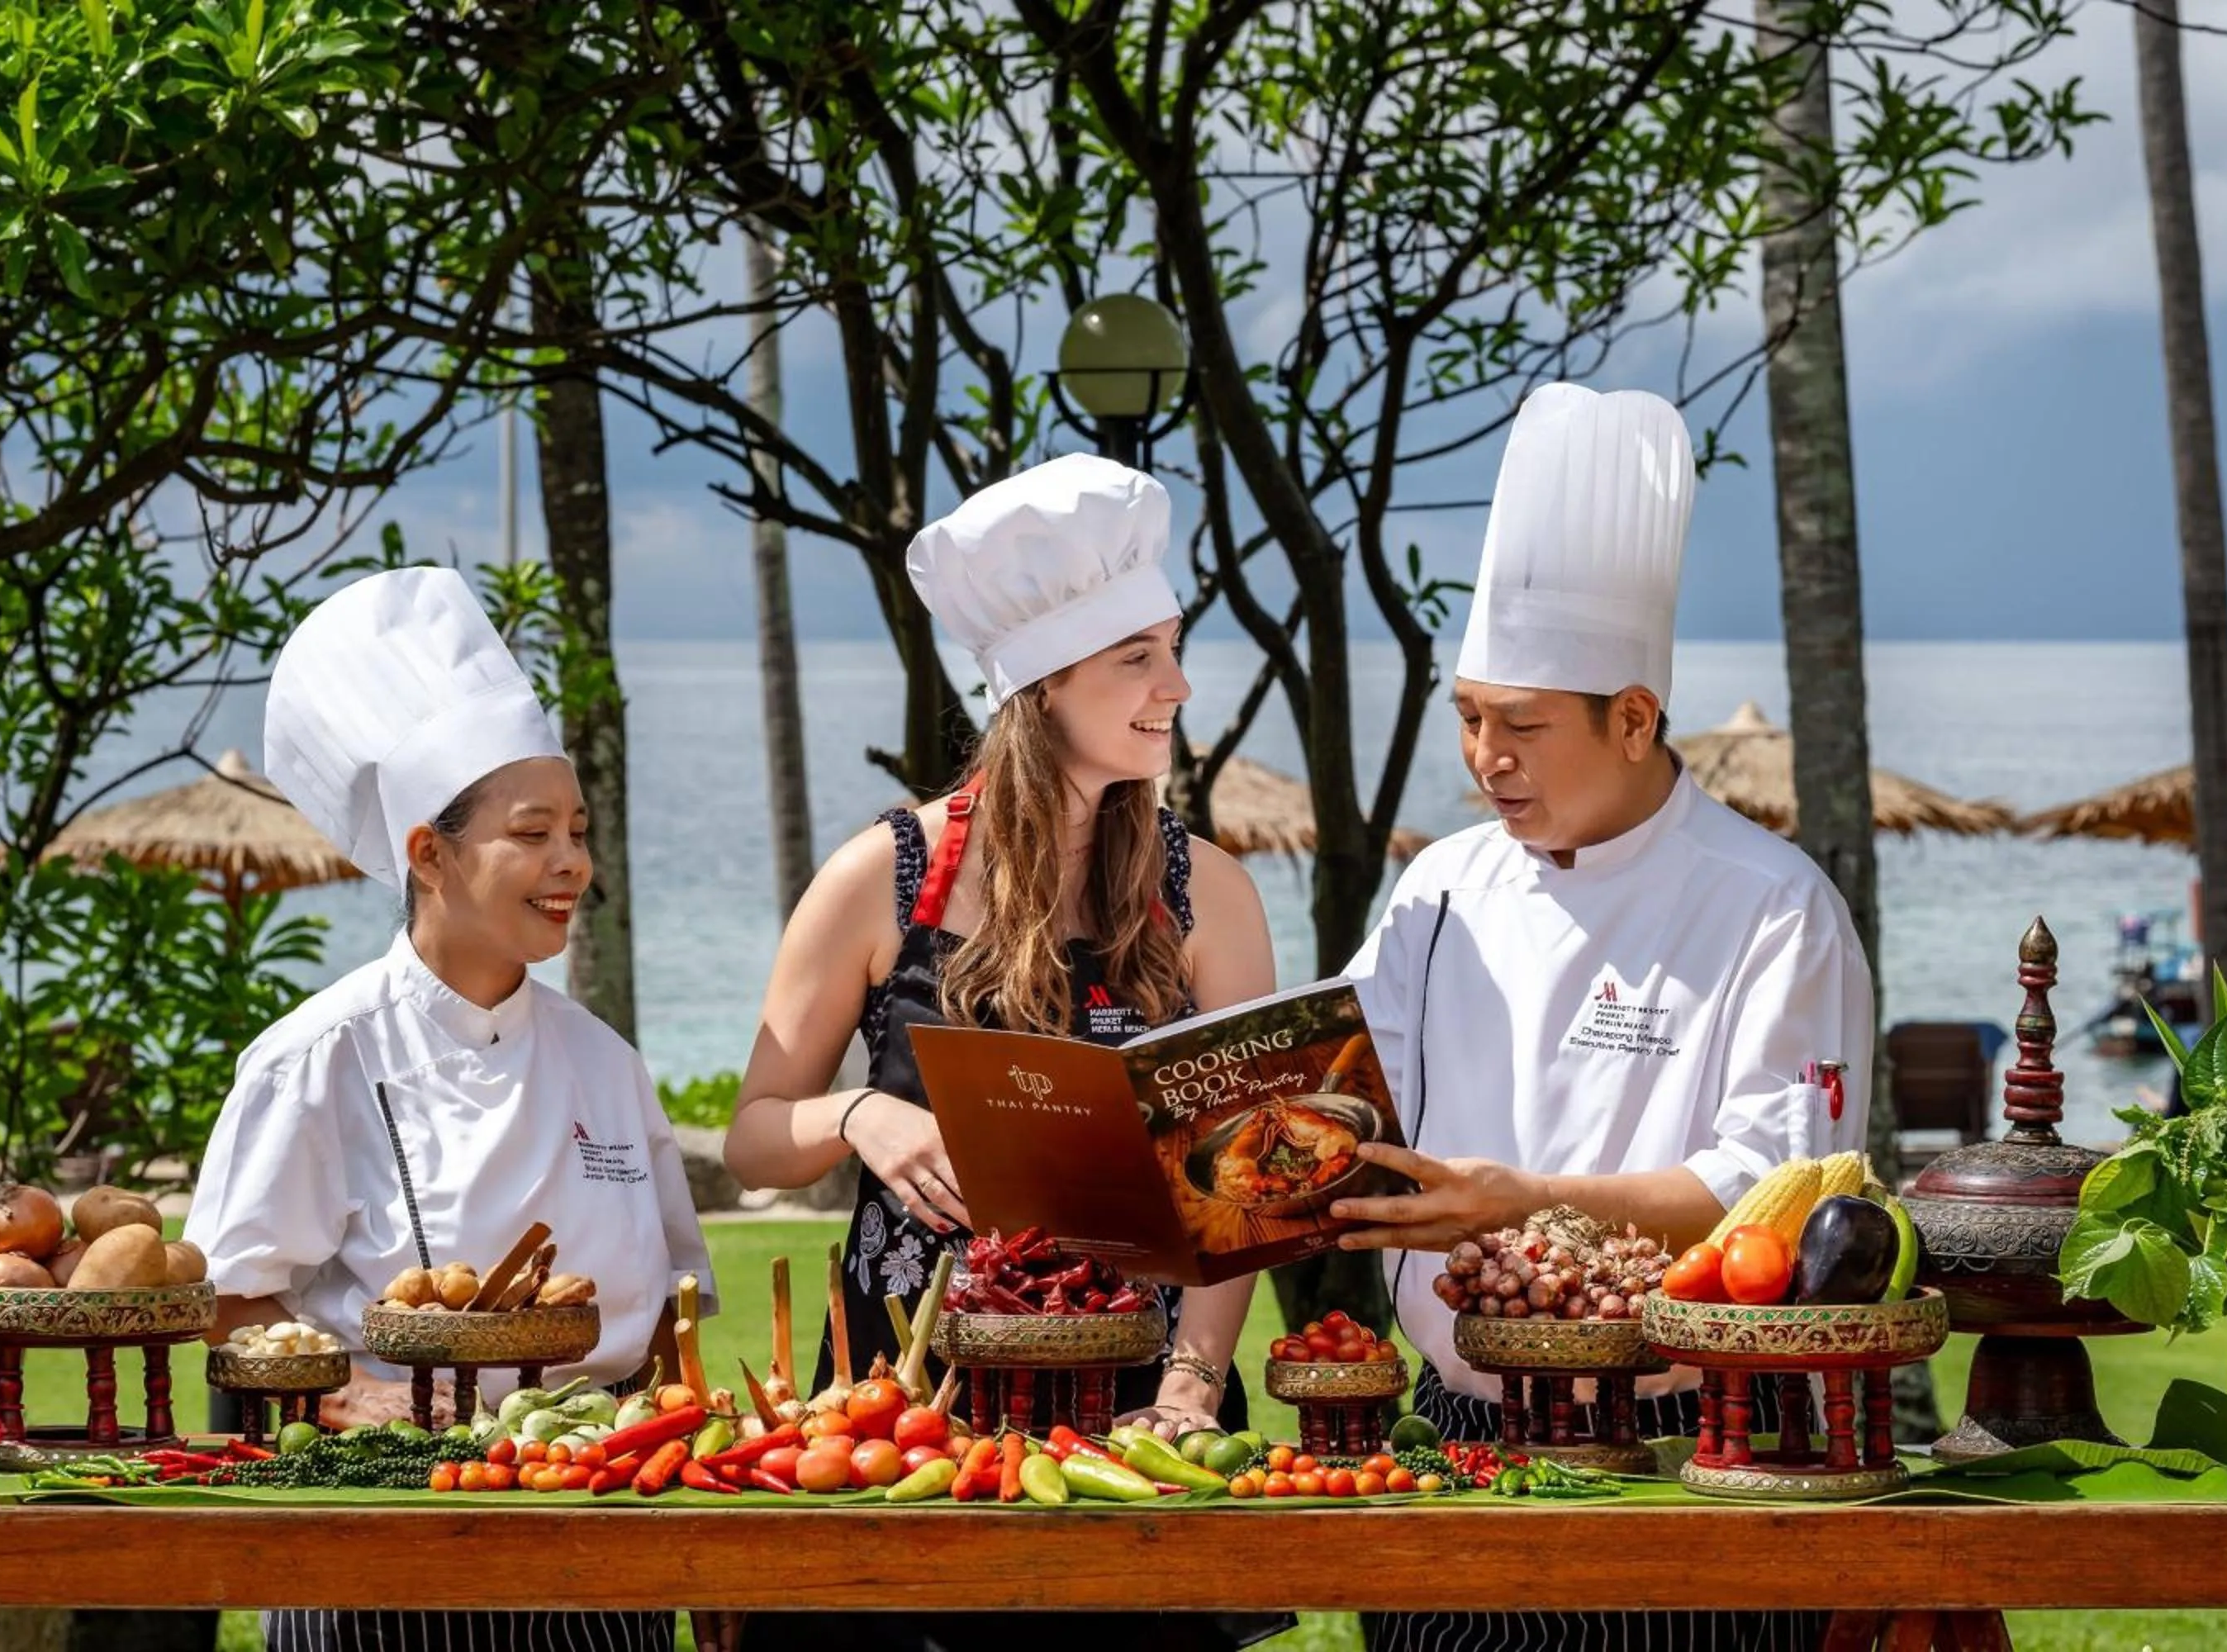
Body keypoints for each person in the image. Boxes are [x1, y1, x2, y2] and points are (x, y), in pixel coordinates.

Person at [1327, 384, 1874, 1652]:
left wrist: (1518, 1200)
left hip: (1688, 1452)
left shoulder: (1771, 907)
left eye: (1521, 725)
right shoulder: (1442, 886)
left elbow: (1769, 1189)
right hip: (1451, 1441)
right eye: (1467, 718)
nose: (1484, 759)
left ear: (1634, 719)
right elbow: (1349, 1086)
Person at [726, 453, 1283, 1652]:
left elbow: (1248, 1183)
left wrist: (1191, 1386)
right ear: (1039, 687)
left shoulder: (1212, 897)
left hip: (1137, 1408)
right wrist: (858, 1118)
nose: (1177, 686)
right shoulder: (885, 875)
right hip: (903, 1403)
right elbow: (755, 1135)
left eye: (1172, 649)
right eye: (1138, 657)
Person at [184, 567, 719, 1652]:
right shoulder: (318, 1057)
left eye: (577, 829)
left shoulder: (604, 1063)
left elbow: (677, 1319)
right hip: (389, 1544)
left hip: (599, 1543)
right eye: (533, 834)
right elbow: (230, 1307)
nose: (571, 861)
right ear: (429, 852)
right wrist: (348, 1401)